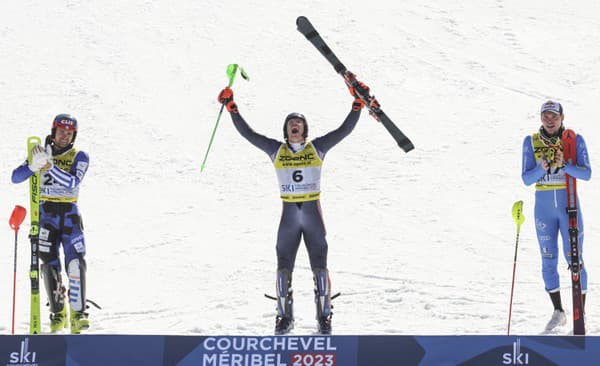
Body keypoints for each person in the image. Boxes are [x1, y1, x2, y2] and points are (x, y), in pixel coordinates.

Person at [217, 76, 375, 335]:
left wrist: (357, 106)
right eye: (291, 123)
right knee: (282, 270)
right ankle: (284, 317)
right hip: (290, 214)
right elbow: (249, 135)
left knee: (320, 268)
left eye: (298, 123)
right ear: (286, 130)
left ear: (304, 129)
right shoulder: (276, 150)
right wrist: (232, 107)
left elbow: (342, 131)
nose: (294, 126)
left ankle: (324, 317)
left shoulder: (317, 148)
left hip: (311, 211)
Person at [12, 114, 90, 334]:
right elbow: (15, 177)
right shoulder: (40, 153)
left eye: (69, 133)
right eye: (61, 132)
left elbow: (72, 182)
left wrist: (48, 167)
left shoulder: (79, 155)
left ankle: (78, 314)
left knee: (75, 263)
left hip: (70, 216)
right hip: (46, 216)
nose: (64, 137)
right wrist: (32, 166)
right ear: (53, 132)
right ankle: (58, 313)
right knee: (48, 265)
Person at [521, 100, 591, 331]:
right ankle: (558, 311)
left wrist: (565, 167)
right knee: (547, 259)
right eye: (546, 116)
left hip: (568, 205)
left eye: (554, 116)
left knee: (574, 259)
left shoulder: (573, 139)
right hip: (543, 209)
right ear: (541, 118)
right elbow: (526, 179)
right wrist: (541, 168)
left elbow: (587, 173)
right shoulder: (530, 142)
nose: (550, 120)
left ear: (562, 117)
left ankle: (581, 314)